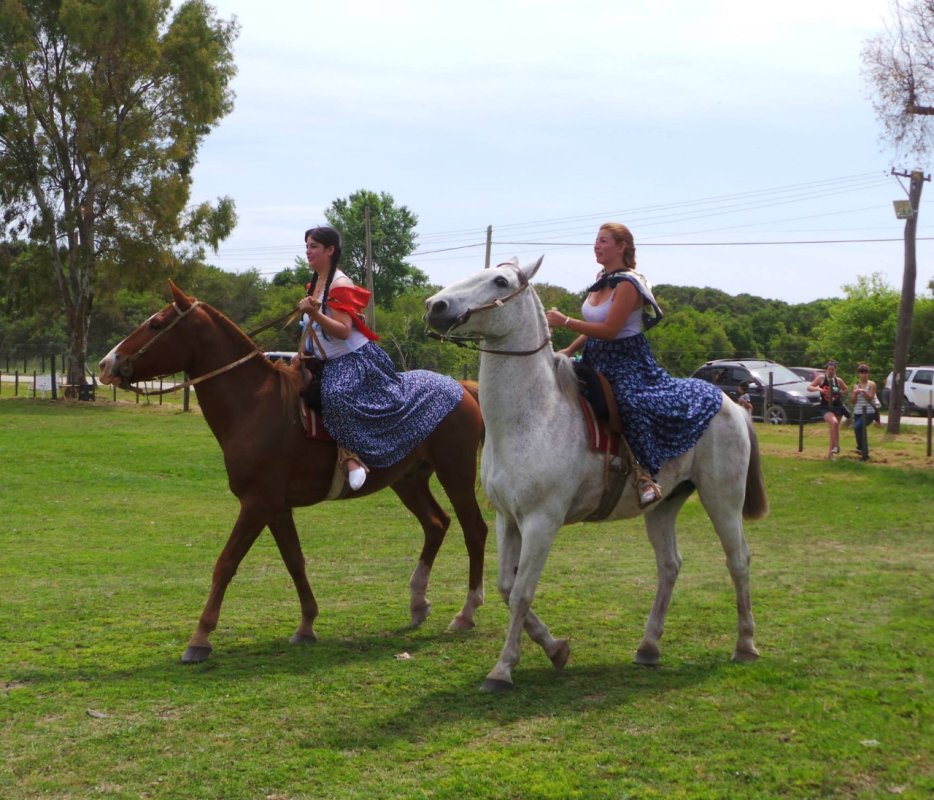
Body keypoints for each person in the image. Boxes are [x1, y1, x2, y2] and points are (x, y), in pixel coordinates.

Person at [545, 222, 724, 507]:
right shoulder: (601, 278)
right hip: (595, 355)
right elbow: (593, 326)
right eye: (596, 240)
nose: (597, 245)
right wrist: (569, 348)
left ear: (622, 246)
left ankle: (645, 475)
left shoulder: (629, 284)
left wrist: (565, 321)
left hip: (626, 361)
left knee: (629, 402)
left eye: (603, 241)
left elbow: (610, 330)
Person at [292, 226, 464, 490]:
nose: (308, 251)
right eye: (307, 246)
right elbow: (314, 332)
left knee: (336, 395)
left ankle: (352, 458)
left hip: (353, 359)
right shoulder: (314, 284)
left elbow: (342, 330)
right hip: (324, 360)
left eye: (314, 246)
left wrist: (314, 313)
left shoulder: (339, 284)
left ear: (330, 250)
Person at [808, 360, 848, 458]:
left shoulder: (838, 380)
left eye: (832, 369)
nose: (830, 371)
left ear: (835, 370)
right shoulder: (821, 378)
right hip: (825, 406)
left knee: (833, 429)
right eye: (829, 369)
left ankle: (830, 455)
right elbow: (809, 387)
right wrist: (819, 389)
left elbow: (845, 389)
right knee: (833, 423)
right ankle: (837, 446)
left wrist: (839, 393)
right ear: (826, 369)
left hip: (837, 406)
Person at [849, 364, 878, 461]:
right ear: (858, 374)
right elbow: (852, 401)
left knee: (858, 427)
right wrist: (855, 393)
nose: (863, 375)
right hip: (858, 411)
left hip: (869, 412)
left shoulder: (872, 384)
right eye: (861, 373)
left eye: (865, 372)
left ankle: (860, 448)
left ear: (868, 374)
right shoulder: (855, 385)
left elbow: (871, 397)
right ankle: (864, 453)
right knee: (858, 429)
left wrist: (863, 392)